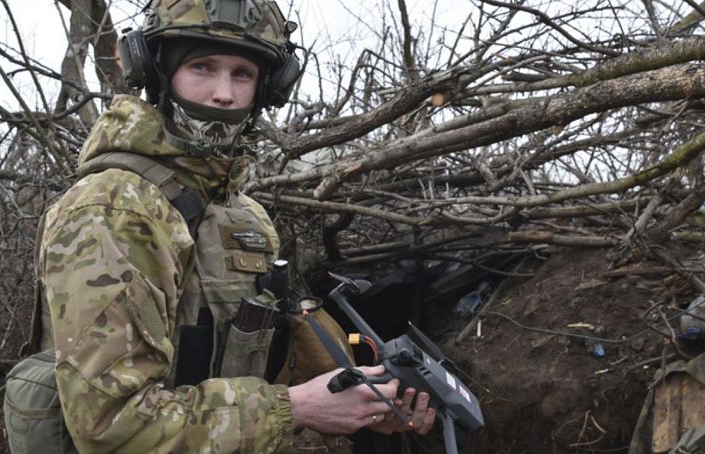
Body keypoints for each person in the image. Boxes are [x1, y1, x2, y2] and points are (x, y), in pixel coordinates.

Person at [36, 0, 435, 451]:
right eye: (202, 66)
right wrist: (296, 409)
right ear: (156, 73)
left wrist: (362, 401)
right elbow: (111, 425)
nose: (223, 94)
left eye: (242, 74)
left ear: (267, 88)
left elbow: (261, 370)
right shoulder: (113, 209)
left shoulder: (240, 213)